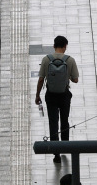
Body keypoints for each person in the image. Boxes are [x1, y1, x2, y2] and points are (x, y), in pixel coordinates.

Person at [34, 35, 79, 163]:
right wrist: (66, 75)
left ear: (54, 46)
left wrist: (37, 95)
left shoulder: (46, 60)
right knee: (64, 121)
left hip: (51, 95)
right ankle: (65, 146)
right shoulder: (70, 60)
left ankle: (56, 153)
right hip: (64, 95)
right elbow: (75, 80)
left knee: (53, 123)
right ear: (65, 46)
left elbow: (41, 79)